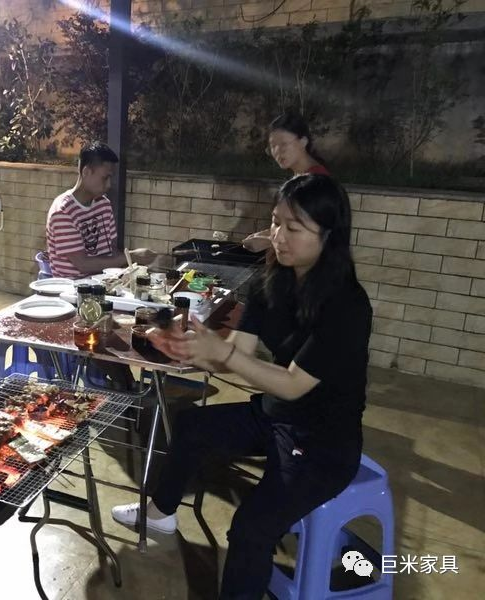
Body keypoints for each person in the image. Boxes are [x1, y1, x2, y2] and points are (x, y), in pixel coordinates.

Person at [112, 174, 372, 600]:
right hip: (275, 415)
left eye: (293, 227)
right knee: (191, 427)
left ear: (328, 235)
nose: (278, 236)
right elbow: (235, 354)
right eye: (275, 222)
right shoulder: (272, 281)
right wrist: (186, 349)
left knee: (250, 529)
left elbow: (292, 385)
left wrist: (223, 353)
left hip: (323, 441)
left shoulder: (347, 305)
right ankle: (160, 513)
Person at [46, 141, 156, 279]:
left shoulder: (104, 204)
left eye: (110, 178)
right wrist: (131, 257)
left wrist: (130, 267)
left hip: (105, 283)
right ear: (86, 172)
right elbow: (83, 264)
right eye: (105, 178)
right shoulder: (63, 211)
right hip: (72, 288)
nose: (109, 185)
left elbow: (112, 251)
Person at [243, 113, 330, 253]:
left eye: (284, 144)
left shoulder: (317, 181)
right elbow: (293, 224)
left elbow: (315, 235)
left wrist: (268, 242)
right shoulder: (301, 177)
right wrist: (266, 234)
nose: (278, 151)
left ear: (303, 141)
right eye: (273, 146)